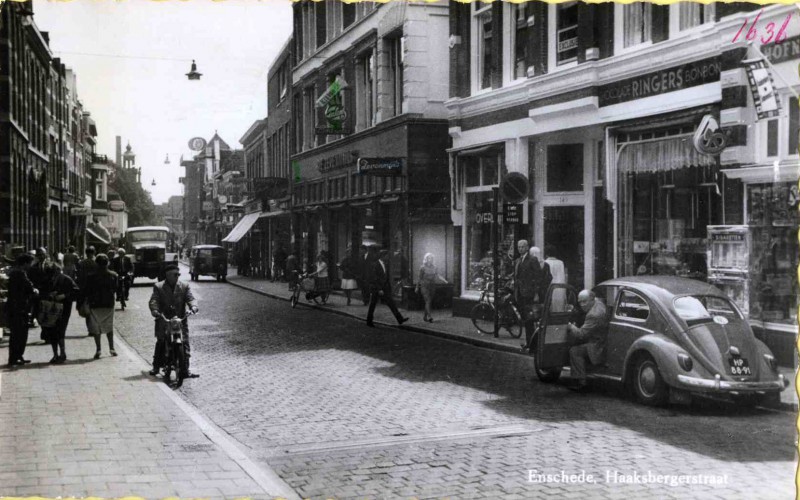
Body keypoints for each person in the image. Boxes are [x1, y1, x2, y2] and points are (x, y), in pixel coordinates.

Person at [148, 263, 199, 378]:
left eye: (178, 274)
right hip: (164, 319)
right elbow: (154, 300)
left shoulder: (184, 286)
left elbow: (191, 298)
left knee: (185, 342)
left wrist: (193, 307)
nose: (178, 276)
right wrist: (155, 310)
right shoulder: (159, 286)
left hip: (180, 319)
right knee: (161, 341)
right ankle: (156, 366)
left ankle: (186, 369)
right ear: (167, 275)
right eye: (175, 274)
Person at [565, 290, 609, 392]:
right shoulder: (598, 303)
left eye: (584, 301)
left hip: (598, 344)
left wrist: (570, 326)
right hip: (602, 338)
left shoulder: (593, 315)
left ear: (592, 299)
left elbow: (581, 335)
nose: (582, 305)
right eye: (580, 302)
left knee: (575, 351)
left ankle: (580, 381)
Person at [39, 263, 79, 364]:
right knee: (52, 331)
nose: (52, 277)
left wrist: (64, 296)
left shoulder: (66, 279)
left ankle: (62, 353)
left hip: (64, 309)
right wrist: (48, 295)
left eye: (54, 274)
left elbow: (77, 292)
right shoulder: (46, 279)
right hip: (50, 310)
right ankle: (55, 354)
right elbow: (41, 292)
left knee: (60, 331)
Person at [5, 254, 38, 367]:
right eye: (29, 263)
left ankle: (16, 356)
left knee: (16, 334)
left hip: (14, 307)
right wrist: (35, 290)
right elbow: (29, 287)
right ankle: (15, 358)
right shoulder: (20, 274)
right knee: (20, 334)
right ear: (25, 263)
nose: (30, 266)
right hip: (20, 308)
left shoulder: (14, 273)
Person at [84, 254, 118, 359]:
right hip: (108, 303)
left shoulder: (90, 276)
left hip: (95, 304)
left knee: (96, 328)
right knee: (109, 326)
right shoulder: (113, 275)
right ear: (107, 263)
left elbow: (87, 290)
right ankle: (112, 348)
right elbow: (115, 288)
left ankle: (98, 349)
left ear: (96, 263)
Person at [366, 250, 409, 327]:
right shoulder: (376, 265)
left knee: (391, 303)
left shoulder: (386, 264)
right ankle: (369, 321)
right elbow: (374, 278)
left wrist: (388, 288)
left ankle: (400, 319)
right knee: (372, 304)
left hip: (385, 288)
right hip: (376, 288)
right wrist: (379, 289)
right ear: (382, 256)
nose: (388, 257)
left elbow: (386, 277)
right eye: (387, 256)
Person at [513, 240, 539, 342]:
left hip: (529, 294)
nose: (520, 249)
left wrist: (536, 293)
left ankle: (531, 342)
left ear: (527, 247)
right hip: (519, 293)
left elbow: (537, 277)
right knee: (525, 318)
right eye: (519, 247)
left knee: (529, 319)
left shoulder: (532, 260)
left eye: (522, 247)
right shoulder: (518, 260)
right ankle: (529, 342)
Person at [416, 253, 447, 323]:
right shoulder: (422, 268)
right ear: (426, 259)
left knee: (429, 302)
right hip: (424, 286)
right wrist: (417, 287)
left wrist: (444, 280)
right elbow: (419, 278)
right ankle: (429, 316)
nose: (430, 260)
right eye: (428, 258)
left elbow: (438, 275)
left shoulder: (435, 267)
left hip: (432, 286)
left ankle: (425, 316)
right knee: (428, 300)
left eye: (431, 258)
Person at [76, 246, 99, 337]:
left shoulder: (81, 263)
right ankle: (95, 329)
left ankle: (90, 329)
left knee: (88, 310)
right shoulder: (97, 262)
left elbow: (79, 276)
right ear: (94, 252)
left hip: (85, 289)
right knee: (95, 310)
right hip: (95, 289)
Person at [544, 245, 567, 311]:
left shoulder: (545, 263)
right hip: (560, 289)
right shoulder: (560, 263)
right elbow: (563, 277)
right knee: (559, 309)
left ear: (546, 254)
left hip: (549, 288)